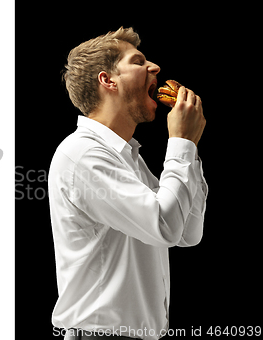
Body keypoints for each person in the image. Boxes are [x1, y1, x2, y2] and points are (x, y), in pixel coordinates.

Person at [48, 27, 207, 340]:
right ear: (108, 80)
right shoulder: (83, 153)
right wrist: (181, 143)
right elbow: (165, 227)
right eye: (139, 61)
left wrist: (190, 148)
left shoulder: (129, 157)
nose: (155, 68)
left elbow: (188, 233)